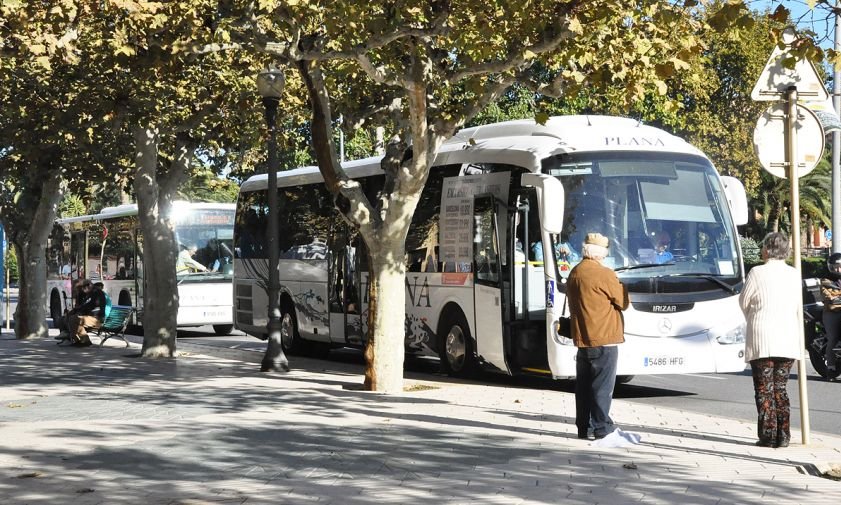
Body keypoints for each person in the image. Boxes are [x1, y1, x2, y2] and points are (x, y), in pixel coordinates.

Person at [739, 232, 802, 448]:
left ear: (767, 249)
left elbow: (744, 301)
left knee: (764, 388)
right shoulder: (794, 273)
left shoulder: (757, 272)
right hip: (787, 335)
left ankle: (767, 435)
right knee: (781, 387)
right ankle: (784, 435)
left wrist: (754, 316)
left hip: (762, 336)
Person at [566, 232, 629, 440]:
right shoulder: (604, 274)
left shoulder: (575, 272)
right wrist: (622, 285)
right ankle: (602, 427)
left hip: (582, 337)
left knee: (583, 386)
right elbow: (623, 302)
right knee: (602, 386)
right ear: (600, 253)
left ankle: (583, 427)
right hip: (604, 338)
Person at [57, 279, 108, 346]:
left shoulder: (96, 293)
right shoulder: (89, 293)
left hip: (97, 318)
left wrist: (78, 311)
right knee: (64, 318)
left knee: (74, 319)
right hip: (90, 316)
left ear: (89, 285)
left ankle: (85, 341)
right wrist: (75, 311)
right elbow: (83, 306)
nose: (82, 289)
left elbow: (90, 306)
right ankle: (70, 338)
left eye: (83, 287)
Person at [820, 252, 841, 378]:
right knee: (833, 338)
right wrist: (834, 297)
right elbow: (827, 294)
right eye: (835, 266)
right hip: (832, 311)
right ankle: (831, 367)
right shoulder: (826, 280)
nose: (838, 269)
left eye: (840, 266)